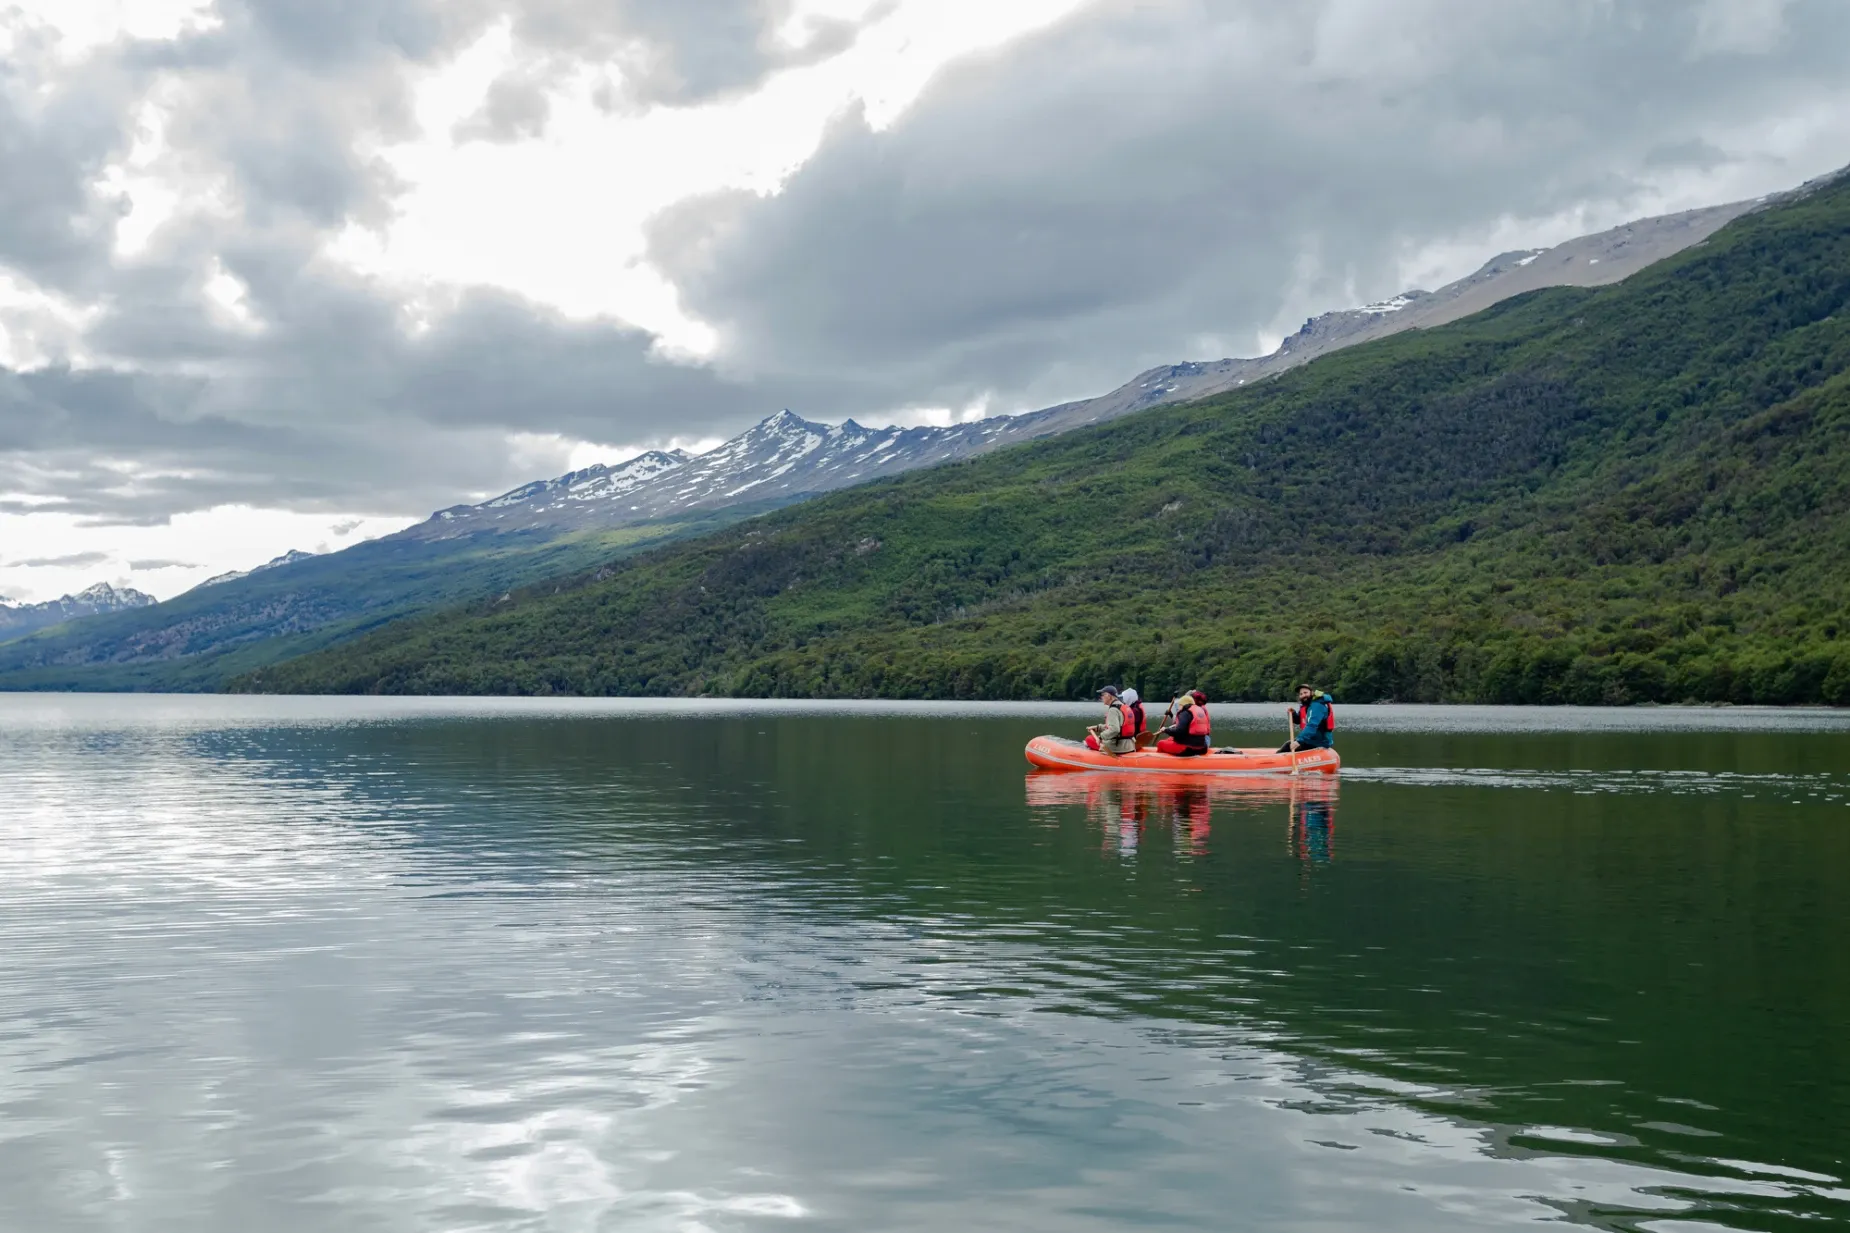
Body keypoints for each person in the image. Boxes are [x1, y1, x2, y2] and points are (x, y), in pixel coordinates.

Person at [1278, 684, 1336, 752]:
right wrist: (1293, 714)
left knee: (1287, 747)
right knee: (1288, 745)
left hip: (1320, 742)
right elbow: (1299, 720)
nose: (1303, 695)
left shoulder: (1317, 706)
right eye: (1301, 694)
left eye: (1305, 692)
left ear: (1311, 692)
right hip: (1311, 739)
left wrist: (1298, 741)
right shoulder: (1306, 706)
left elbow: (1312, 725)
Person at [1155, 689, 1211, 757]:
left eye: (1179, 705)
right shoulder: (1199, 710)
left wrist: (1165, 730)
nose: (1178, 707)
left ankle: (1161, 761)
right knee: (1170, 739)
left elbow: (1179, 731)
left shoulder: (1185, 713)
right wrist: (1171, 717)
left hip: (1189, 748)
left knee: (1160, 743)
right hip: (1202, 747)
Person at [1085, 685, 1138, 755]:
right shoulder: (1123, 706)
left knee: (1089, 739)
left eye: (1103, 695)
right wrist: (1098, 727)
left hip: (1118, 747)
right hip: (1130, 746)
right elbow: (1118, 726)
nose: (1101, 697)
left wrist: (1100, 737)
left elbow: (1115, 729)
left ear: (1109, 696)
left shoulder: (1113, 710)